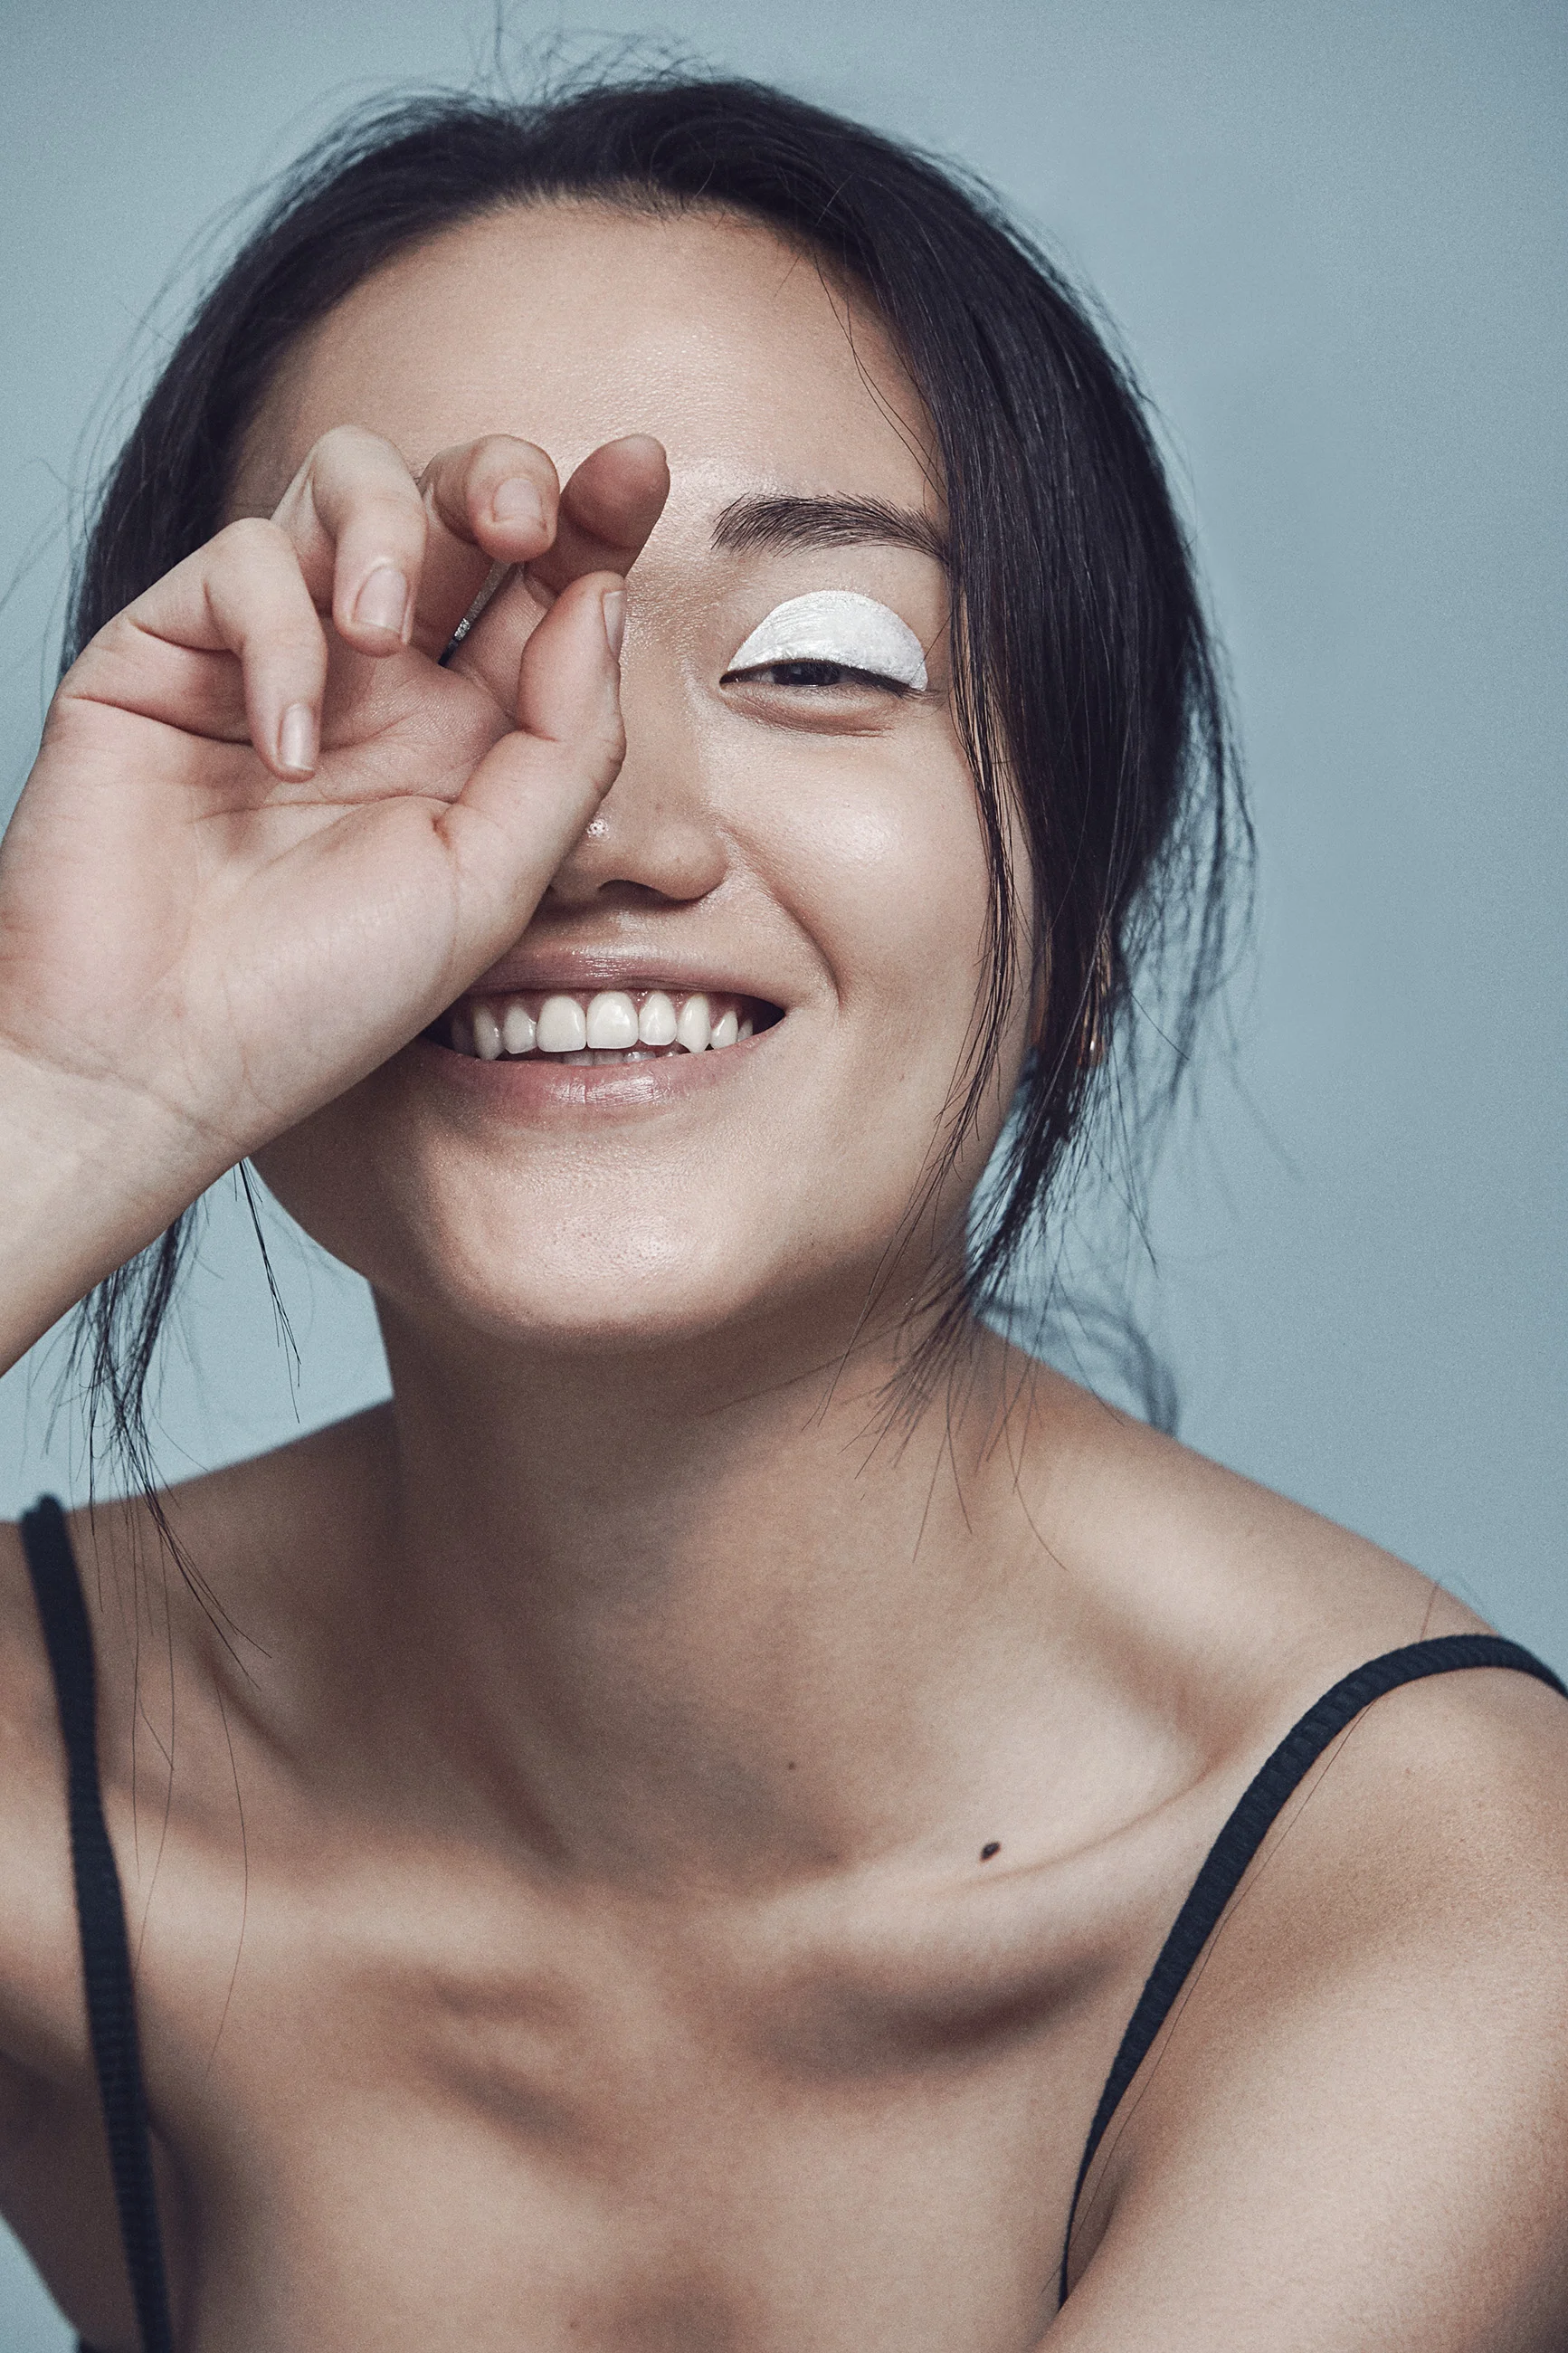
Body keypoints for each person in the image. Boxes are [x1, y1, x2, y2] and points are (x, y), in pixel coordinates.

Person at [0, 71, 1563, 2353]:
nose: (588, 816)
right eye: (427, 656)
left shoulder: (1422, 1903)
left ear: (1091, 927)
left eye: (816, 659)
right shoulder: (62, 1785)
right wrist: (65, 1081)